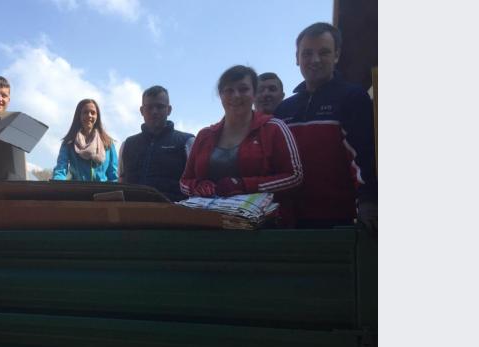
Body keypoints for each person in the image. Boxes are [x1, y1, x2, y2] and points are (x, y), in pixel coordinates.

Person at [273, 22, 378, 231]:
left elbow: (364, 155)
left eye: (324, 52)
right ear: (297, 58)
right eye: (307, 54)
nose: (315, 60)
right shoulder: (283, 109)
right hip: (286, 221)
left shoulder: (352, 97)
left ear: (336, 56)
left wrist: (368, 201)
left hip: (337, 221)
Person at [180, 65, 303, 225]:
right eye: (229, 90)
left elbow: (295, 176)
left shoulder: (274, 128)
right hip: (209, 226)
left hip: (264, 229)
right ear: (220, 95)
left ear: (254, 93)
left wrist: (245, 184)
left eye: (243, 89)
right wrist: (197, 187)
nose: (236, 96)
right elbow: (184, 181)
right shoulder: (204, 135)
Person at [119, 85, 195, 201]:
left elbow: (196, 183)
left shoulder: (187, 142)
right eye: (149, 107)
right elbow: (121, 181)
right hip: (132, 213)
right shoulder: (127, 145)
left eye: (160, 107)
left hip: (174, 214)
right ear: (142, 111)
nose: (154, 111)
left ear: (169, 110)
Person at [52, 98, 118, 182]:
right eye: (85, 112)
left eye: (93, 113)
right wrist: (57, 188)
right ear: (79, 115)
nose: (89, 115)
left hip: (102, 193)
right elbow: (60, 170)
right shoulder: (69, 143)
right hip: (77, 192)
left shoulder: (108, 143)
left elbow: (113, 175)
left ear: (97, 117)